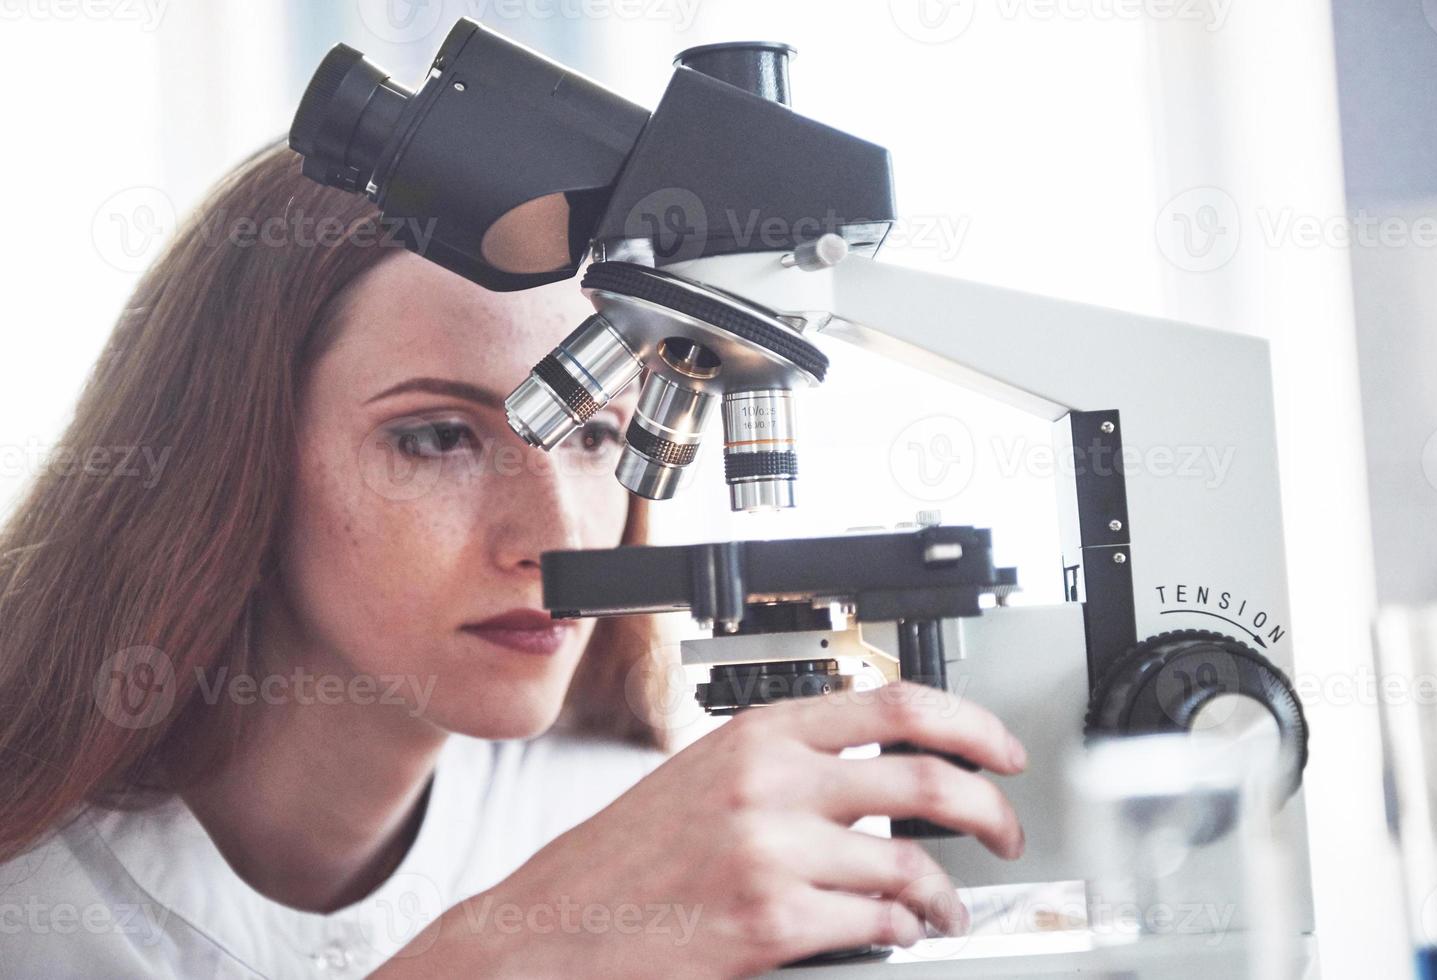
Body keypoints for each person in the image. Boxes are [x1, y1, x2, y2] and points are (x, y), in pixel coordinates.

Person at [0, 140, 1027, 979]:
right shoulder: (34, 906)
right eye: (439, 436)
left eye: (592, 436)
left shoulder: (637, 825)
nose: (557, 536)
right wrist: (513, 946)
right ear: (235, 462)